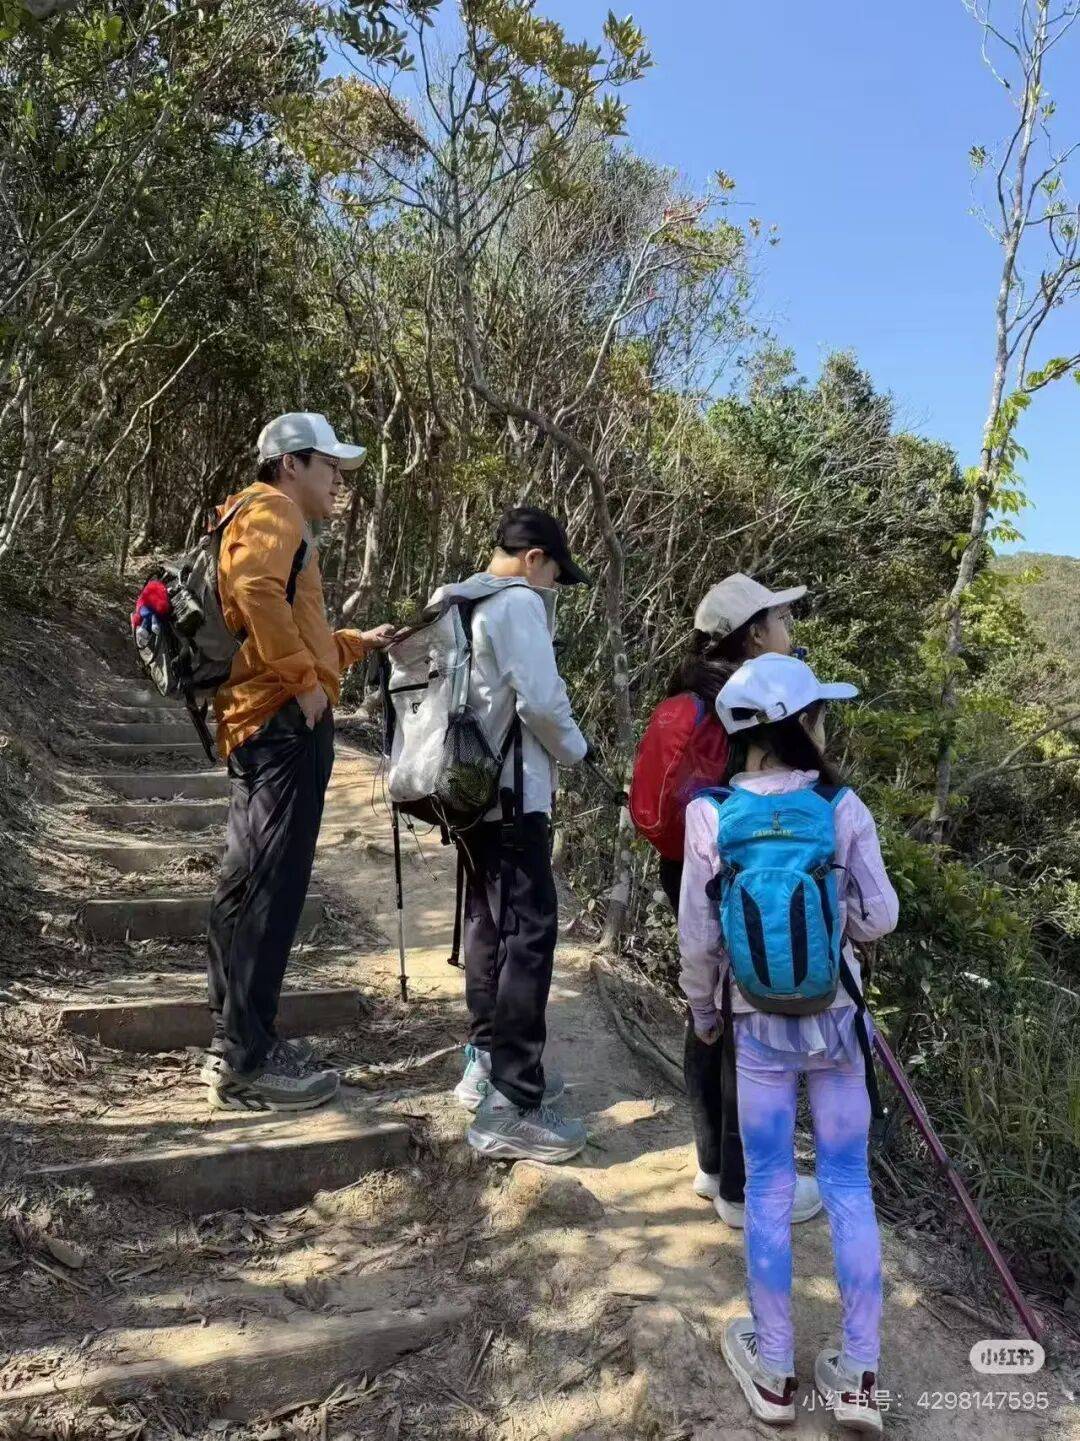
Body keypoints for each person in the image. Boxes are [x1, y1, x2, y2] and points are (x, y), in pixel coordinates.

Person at [679, 653, 898, 1432]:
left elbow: (699, 938)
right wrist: (838, 924)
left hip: (756, 1029)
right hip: (836, 1022)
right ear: (801, 723)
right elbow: (880, 915)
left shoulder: (711, 815)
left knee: (769, 1186)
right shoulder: (841, 807)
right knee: (847, 1183)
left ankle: (773, 1367)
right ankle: (859, 1372)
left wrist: (704, 1013)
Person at [202, 412, 395, 1113]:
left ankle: (236, 1038)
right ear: (291, 463)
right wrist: (308, 686)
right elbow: (256, 595)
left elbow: (286, 620)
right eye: (330, 466)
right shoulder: (276, 509)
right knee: (271, 888)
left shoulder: (259, 515)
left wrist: (354, 645)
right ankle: (248, 1059)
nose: (338, 480)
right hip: (282, 722)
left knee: (248, 879)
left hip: (267, 714)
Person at [630, 574, 822, 1227]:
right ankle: (746, 1190)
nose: (789, 630)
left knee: (707, 1008)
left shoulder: (690, 690)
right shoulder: (752, 696)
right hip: (746, 869)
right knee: (749, 1014)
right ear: (754, 635)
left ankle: (713, 1165)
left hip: (686, 859)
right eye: (780, 620)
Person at [439, 506, 591, 1163]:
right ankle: (513, 1101)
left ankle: (486, 1064)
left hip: (465, 791)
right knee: (529, 932)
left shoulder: (455, 598)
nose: (554, 585)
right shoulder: (519, 602)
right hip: (512, 794)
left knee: (487, 922)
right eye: (555, 572)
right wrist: (579, 751)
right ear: (534, 558)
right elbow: (541, 702)